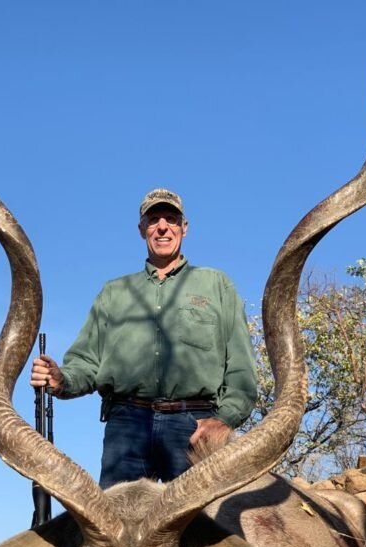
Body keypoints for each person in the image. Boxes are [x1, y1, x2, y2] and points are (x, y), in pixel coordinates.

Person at [31, 188, 257, 488]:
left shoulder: (217, 285)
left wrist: (224, 419)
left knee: (201, 529)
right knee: (115, 528)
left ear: (184, 228)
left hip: (195, 426)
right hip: (127, 425)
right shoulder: (114, 292)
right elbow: (86, 362)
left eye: (171, 219)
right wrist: (62, 379)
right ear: (142, 230)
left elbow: (241, 369)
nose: (163, 227)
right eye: (154, 220)